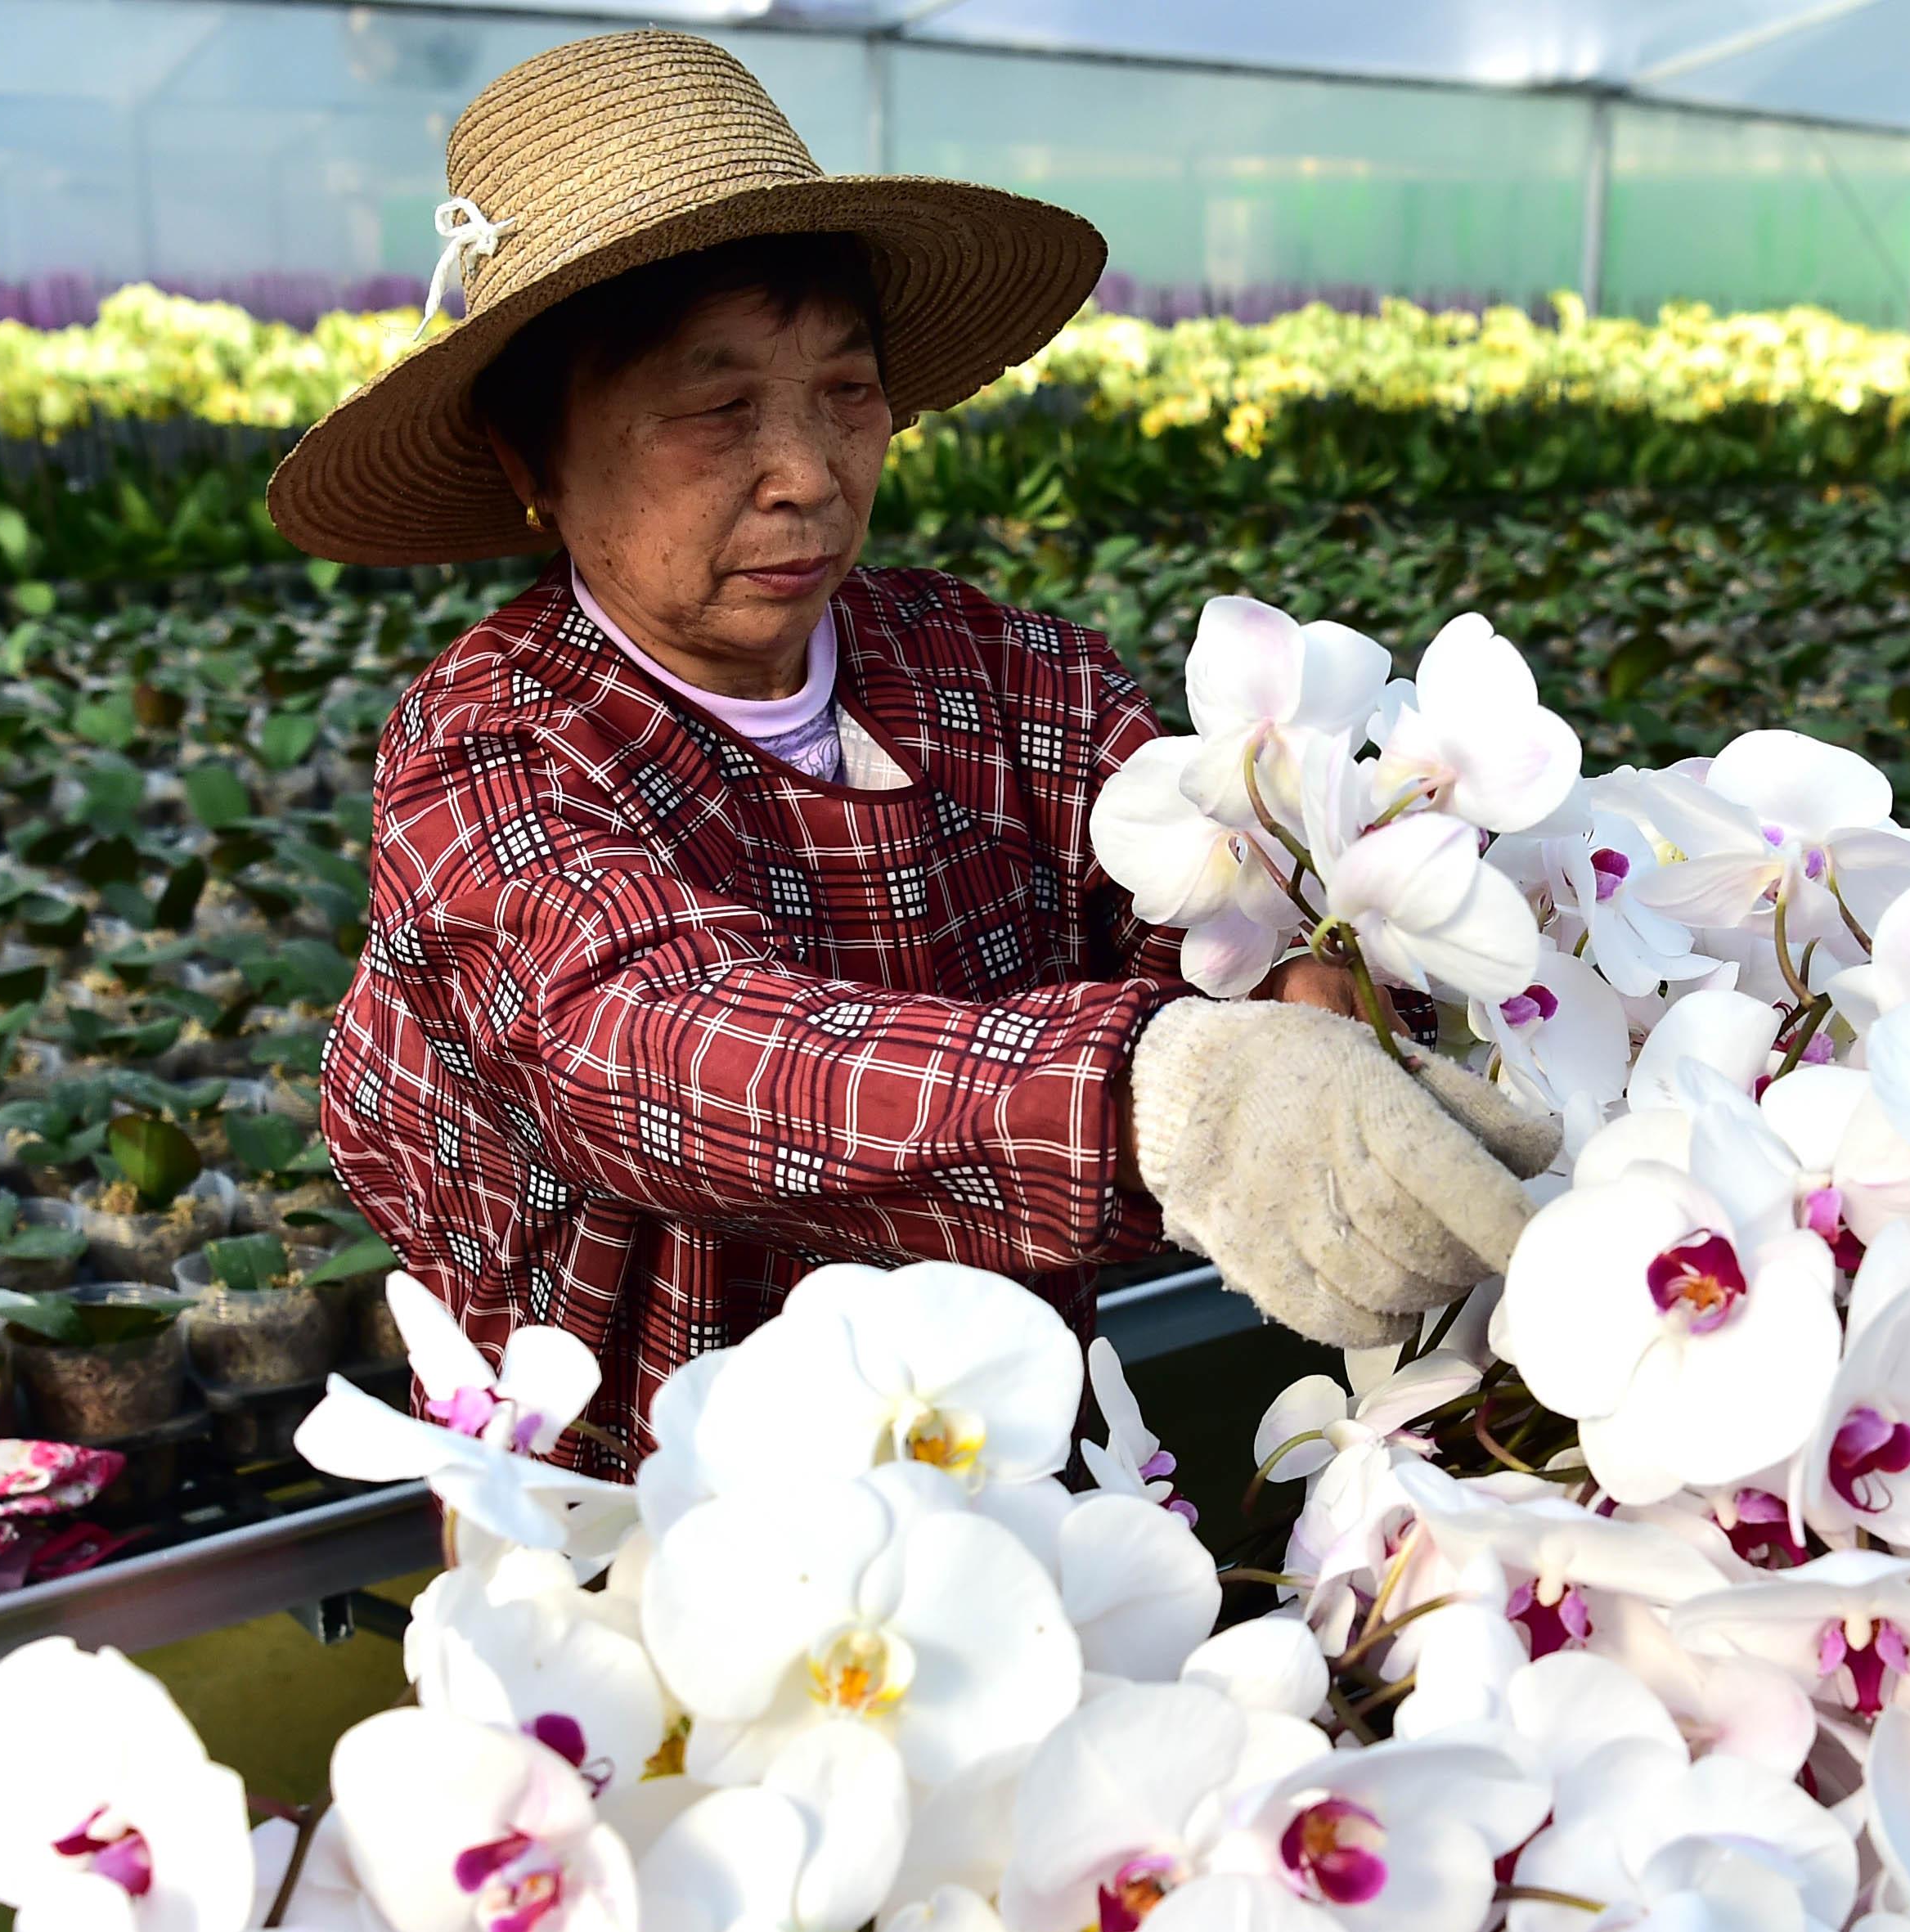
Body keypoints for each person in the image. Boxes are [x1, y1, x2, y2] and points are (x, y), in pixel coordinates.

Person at [268, 33, 1549, 1470]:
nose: (811, 469)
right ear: (530, 456)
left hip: (999, 1461)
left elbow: (1218, 922)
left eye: (849, 391)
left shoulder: (1012, 678)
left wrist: (1324, 986)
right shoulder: (490, 743)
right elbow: (641, 1049)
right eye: (713, 408)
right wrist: (1166, 1096)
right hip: (636, 1496)